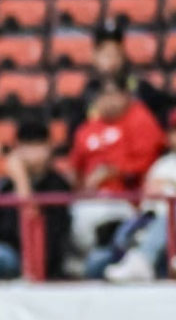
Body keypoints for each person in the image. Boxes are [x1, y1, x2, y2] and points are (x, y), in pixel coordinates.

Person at [69, 73, 167, 271]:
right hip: (88, 202)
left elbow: (148, 164)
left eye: (115, 94)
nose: (109, 100)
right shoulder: (86, 130)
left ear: (126, 96)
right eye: (103, 95)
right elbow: (74, 171)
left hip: (127, 202)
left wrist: (114, 172)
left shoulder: (139, 120)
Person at [0, 119, 71, 284]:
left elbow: (33, 223)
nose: (31, 154)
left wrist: (21, 178)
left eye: (37, 146)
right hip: (0, 249)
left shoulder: (57, 184)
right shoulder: (5, 184)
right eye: (26, 147)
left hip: (31, 258)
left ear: (49, 148)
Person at [99, 108, 176, 282]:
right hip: (153, 225)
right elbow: (148, 202)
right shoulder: (161, 165)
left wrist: (170, 186)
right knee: (96, 262)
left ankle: (143, 260)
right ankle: (139, 260)